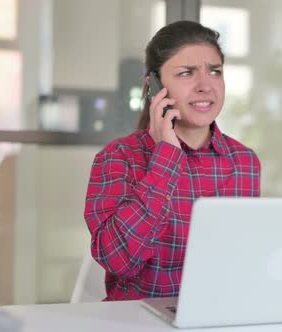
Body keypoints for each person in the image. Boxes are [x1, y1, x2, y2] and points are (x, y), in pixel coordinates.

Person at [83, 21, 261, 301]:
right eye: (186, 73)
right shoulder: (118, 158)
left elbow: (241, 262)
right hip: (136, 320)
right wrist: (165, 157)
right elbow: (119, 261)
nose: (205, 86)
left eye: (214, 71)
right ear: (154, 87)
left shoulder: (244, 162)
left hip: (217, 317)